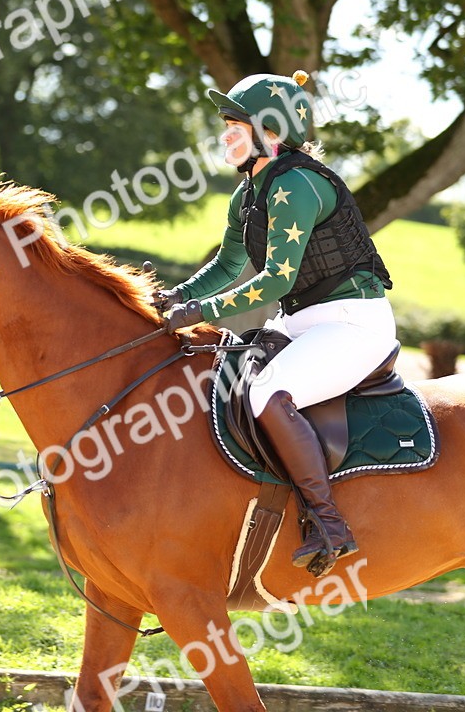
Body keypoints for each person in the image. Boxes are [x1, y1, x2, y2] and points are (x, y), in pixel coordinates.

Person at [156, 70, 395, 576]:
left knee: (267, 392)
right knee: (220, 374)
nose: (224, 135)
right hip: (303, 323)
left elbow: (276, 282)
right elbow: (226, 267)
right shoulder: (248, 195)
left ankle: (329, 524)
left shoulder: (297, 184)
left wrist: (199, 312)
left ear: (270, 132)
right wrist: (173, 297)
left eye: (234, 125)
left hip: (353, 324)